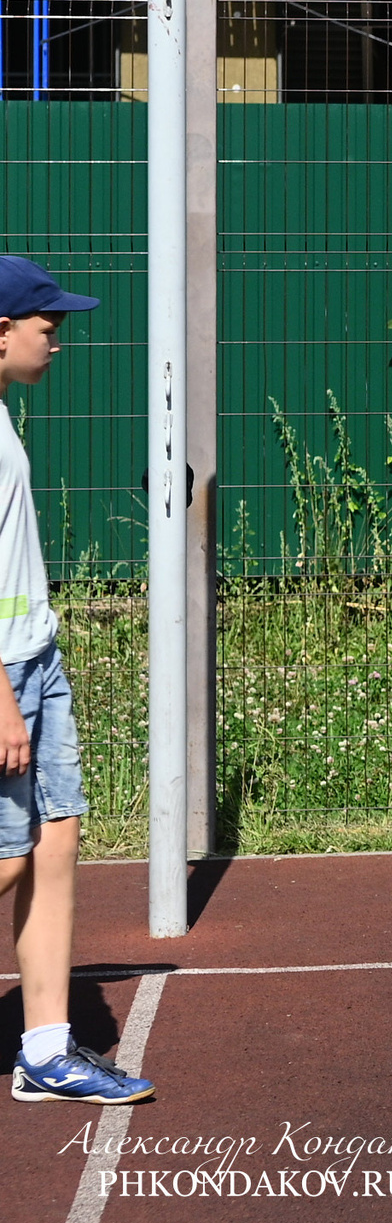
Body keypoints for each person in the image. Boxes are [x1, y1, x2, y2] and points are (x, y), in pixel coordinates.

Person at [0, 258, 151, 1106]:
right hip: (4, 672)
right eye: (47, 327)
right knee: (8, 862)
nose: (58, 340)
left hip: (37, 656)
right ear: (0, 331)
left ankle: (47, 1049)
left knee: (56, 841)